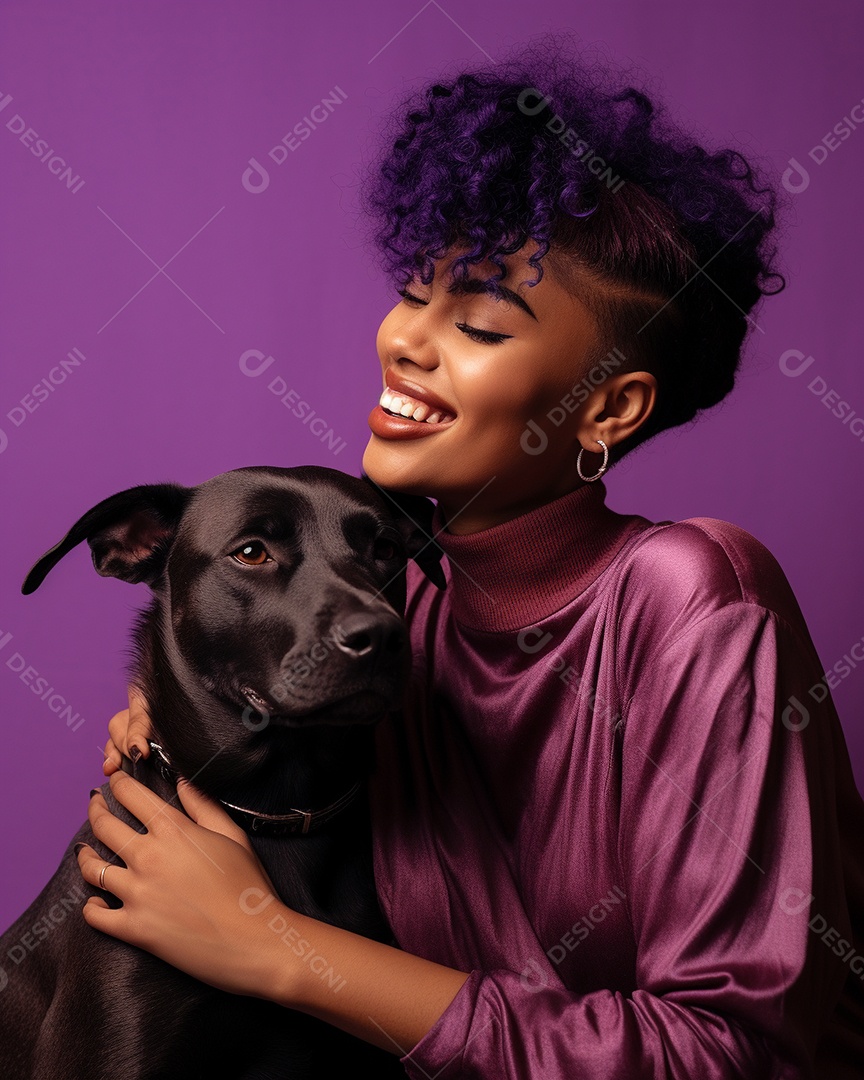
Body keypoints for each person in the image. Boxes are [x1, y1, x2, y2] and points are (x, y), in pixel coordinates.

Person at [82, 33, 864, 1079]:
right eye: (416, 293)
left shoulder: (695, 598)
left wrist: (278, 949)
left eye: (483, 329)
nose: (407, 342)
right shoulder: (391, 599)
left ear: (609, 406)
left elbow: (735, 1055)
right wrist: (168, 730)